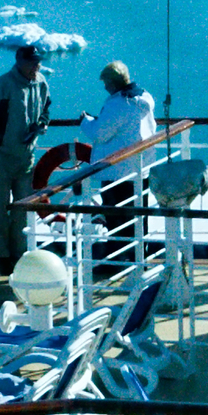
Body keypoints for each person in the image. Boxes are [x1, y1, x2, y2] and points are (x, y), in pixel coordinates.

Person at [0, 42, 51, 275]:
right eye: (31, 62)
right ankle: (0, 256)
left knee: (23, 207)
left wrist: (42, 124)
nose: (36, 66)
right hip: (1, 157)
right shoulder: (2, 85)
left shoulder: (40, 83)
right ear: (19, 62)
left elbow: (47, 107)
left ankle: (19, 254)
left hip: (26, 157)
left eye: (38, 62)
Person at [79, 59, 157, 271]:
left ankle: (116, 262)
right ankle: (140, 258)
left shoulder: (118, 104)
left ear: (113, 83)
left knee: (116, 218)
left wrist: (86, 121)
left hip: (117, 170)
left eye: (105, 83)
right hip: (140, 169)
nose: (104, 87)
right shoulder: (144, 97)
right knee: (138, 216)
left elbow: (100, 133)